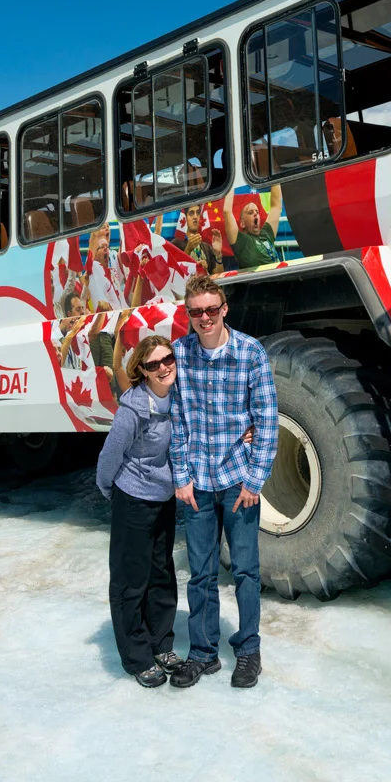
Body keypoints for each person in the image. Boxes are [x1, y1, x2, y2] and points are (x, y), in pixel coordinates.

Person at [168, 273, 278, 689]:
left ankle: (248, 651)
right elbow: (178, 420)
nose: (204, 318)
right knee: (200, 574)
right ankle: (203, 653)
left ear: (224, 308)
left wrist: (255, 480)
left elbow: (266, 420)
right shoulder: (181, 353)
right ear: (189, 314)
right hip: (197, 482)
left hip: (237, 483)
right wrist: (181, 476)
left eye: (211, 309)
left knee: (246, 571)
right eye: (196, 312)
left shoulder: (250, 353)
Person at [95, 335, 182, 688]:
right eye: (153, 364)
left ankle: (161, 644)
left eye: (167, 360)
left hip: (163, 498)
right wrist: (112, 492)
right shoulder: (132, 410)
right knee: (131, 580)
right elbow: (109, 458)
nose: (163, 368)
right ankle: (137, 656)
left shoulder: (177, 399)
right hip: (132, 498)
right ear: (142, 372)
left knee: (161, 574)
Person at [224, 185, 283, 269]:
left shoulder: (266, 233)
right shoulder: (241, 242)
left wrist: (274, 173)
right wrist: (232, 181)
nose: (255, 213)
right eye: (250, 212)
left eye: (257, 212)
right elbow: (227, 211)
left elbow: (276, 206)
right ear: (242, 224)